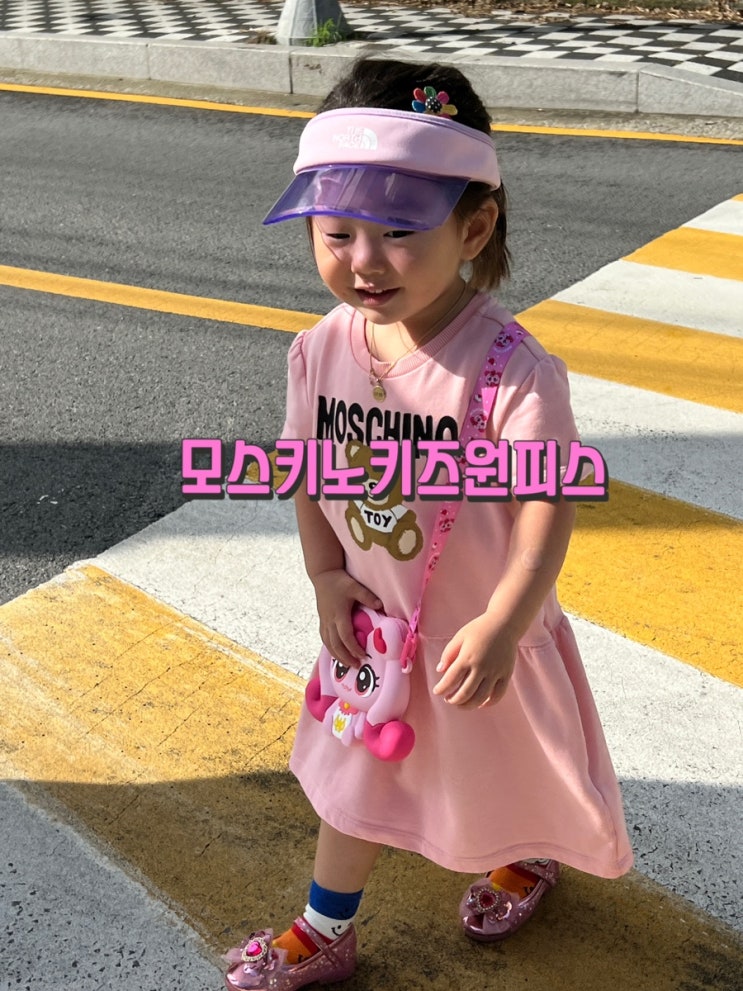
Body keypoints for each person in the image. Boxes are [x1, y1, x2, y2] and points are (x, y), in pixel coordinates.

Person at [224, 57, 633, 991]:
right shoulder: (319, 348)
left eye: (399, 233)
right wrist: (324, 575)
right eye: (337, 233)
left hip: (481, 629)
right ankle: (325, 926)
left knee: (507, 762)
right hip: (376, 632)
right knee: (355, 772)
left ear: (473, 227)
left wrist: (504, 624)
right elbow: (307, 468)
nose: (363, 261)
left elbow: (547, 506)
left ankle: (527, 850)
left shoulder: (510, 369)